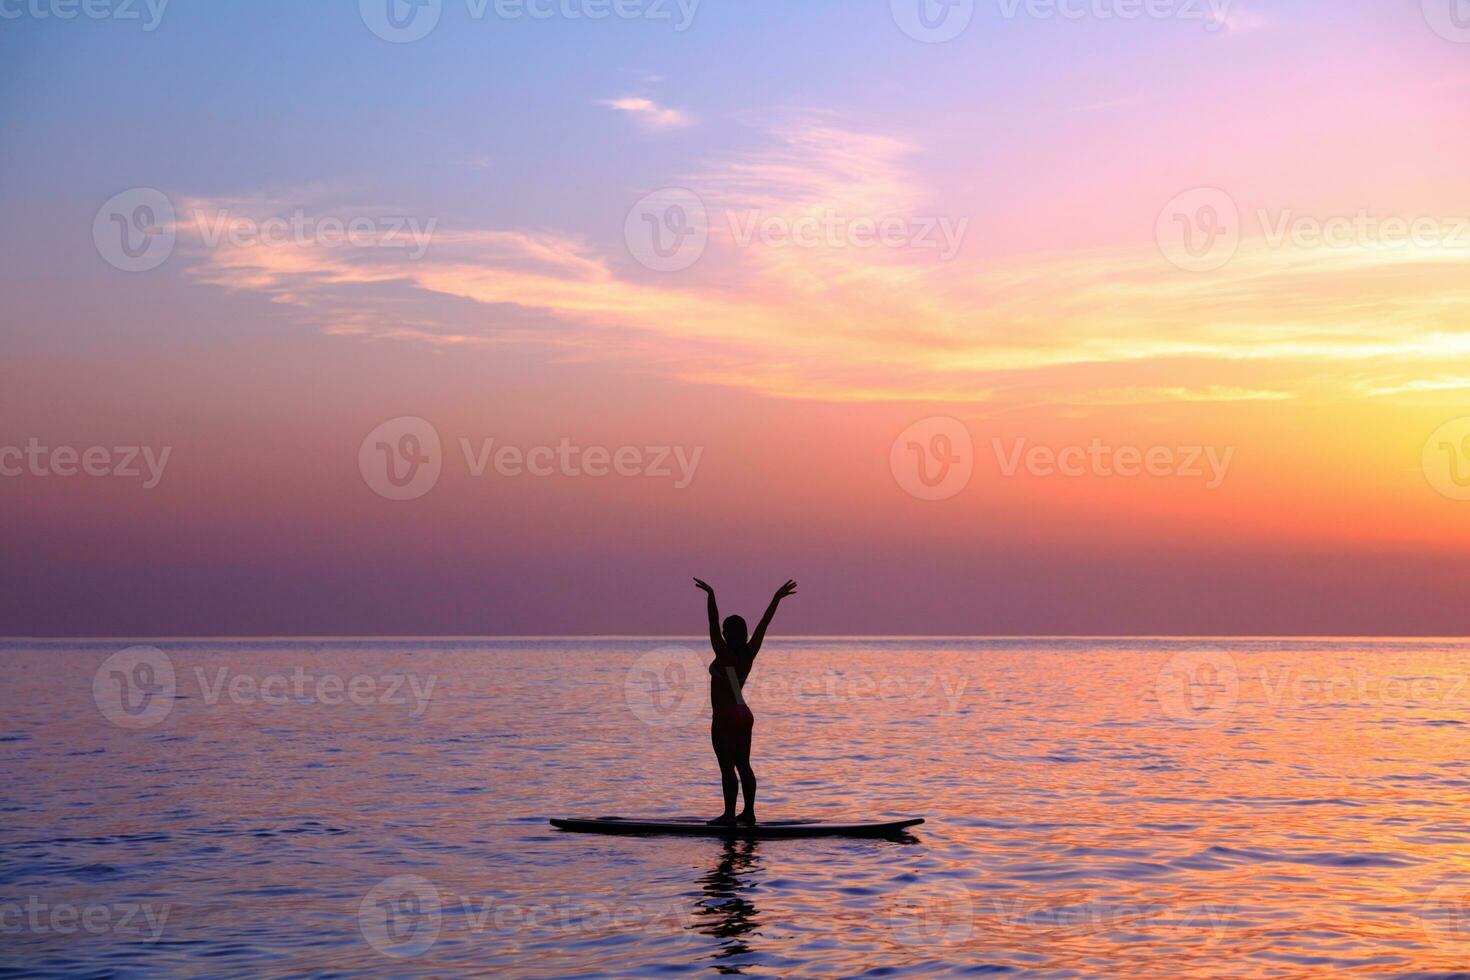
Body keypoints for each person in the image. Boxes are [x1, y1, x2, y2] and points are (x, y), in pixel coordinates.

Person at [692, 577, 797, 826]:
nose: (723, 633)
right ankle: (748, 813)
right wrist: (776, 599)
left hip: (726, 716)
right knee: (744, 765)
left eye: (726, 631)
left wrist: (711, 594)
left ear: (729, 634)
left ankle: (729, 816)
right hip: (743, 713)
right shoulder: (750, 653)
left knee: (727, 768)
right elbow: (764, 624)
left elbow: (712, 623)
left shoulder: (723, 651)